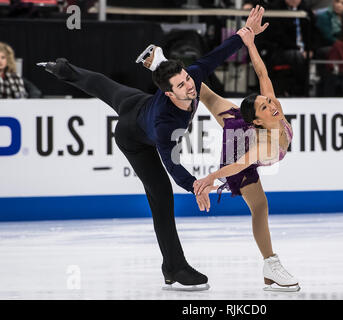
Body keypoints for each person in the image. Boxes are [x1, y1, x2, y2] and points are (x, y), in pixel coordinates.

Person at [37, 6, 268, 292]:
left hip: (136, 101)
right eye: (181, 86)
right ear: (169, 94)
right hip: (134, 138)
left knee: (105, 85)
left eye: (186, 79)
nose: (190, 86)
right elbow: (172, 166)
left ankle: (64, 68)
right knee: (161, 197)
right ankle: (174, 267)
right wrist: (196, 185)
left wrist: (246, 34)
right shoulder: (165, 125)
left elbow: (216, 55)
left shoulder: (191, 78)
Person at [193, 27, 300, 292]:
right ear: (257, 120)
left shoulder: (275, 111)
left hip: (244, 122)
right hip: (237, 149)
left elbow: (262, 73)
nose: (272, 105)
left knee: (207, 96)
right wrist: (210, 178)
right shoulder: (263, 146)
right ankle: (271, 265)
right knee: (260, 206)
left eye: (268, 102)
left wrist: (250, 43)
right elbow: (240, 164)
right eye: (265, 106)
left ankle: (167, 66)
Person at [259, 0, 317, 96]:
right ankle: (301, 93)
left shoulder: (306, 9)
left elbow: (314, 34)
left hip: (303, 51)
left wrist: (311, 49)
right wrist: (299, 49)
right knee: (296, 57)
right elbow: (276, 36)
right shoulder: (275, 9)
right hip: (280, 50)